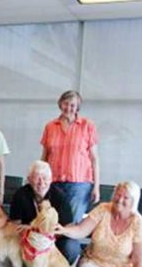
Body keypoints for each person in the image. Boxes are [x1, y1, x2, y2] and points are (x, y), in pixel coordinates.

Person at [55, 181, 142, 267]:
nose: (120, 200)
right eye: (117, 195)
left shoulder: (139, 223)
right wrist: (64, 230)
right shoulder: (103, 209)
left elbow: (138, 260)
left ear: (133, 201)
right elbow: (81, 230)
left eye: (125, 197)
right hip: (96, 261)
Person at [40, 90, 100, 225]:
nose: (69, 108)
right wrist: (41, 179)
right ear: (60, 104)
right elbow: (44, 157)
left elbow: (94, 159)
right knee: (52, 223)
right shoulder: (50, 127)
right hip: (54, 183)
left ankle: (68, 246)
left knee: (71, 225)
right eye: (66, 103)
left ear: (77, 107)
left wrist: (96, 187)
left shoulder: (87, 126)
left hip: (79, 184)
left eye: (73, 105)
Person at [9, 160, 78, 264]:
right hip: (28, 239)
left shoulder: (60, 197)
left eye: (45, 178)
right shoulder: (20, 195)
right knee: (12, 241)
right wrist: (31, 233)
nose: (41, 183)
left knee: (71, 246)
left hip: (54, 239)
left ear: (51, 179)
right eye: (37, 178)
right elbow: (15, 226)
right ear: (29, 179)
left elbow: (67, 227)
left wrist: (34, 229)